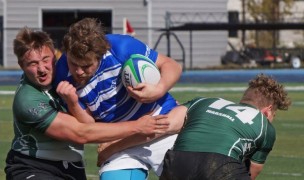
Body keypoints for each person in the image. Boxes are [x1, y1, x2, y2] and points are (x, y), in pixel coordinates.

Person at [4, 27, 169, 180]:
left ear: (55, 55)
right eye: (32, 64)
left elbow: (90, 120)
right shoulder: (28, 100)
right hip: (33, 166)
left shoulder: (71, 74)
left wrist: (159, 91)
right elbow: (80, 133)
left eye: (45, 59)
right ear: (21, 66)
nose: (41, 69)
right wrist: (138, 126)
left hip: (73, 166)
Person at [54, 18, 182, 179]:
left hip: (160, 123)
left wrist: (158, 90)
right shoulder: (61, 75)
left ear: (100, 56)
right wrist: (72, 103)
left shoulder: (122, 47)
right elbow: (89, 126)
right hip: (118, 140)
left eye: (86, 66)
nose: (78, 72)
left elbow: (171, 65)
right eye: (73, 64)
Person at [158, 74, 291, 180]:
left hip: (176, 162)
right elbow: (252, 172)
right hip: (219, 166)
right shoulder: (264, 124)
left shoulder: (203, 101)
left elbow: (168, 122)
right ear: (267, 111)